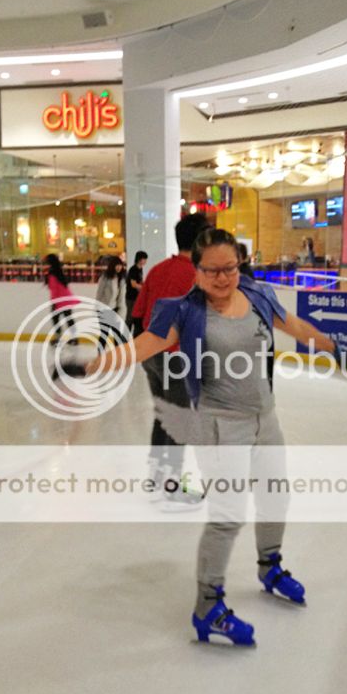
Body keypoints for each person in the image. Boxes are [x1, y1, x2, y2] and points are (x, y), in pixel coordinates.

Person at [87, 228, 347, 646]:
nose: (222, 277)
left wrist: (329, 345)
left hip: (265, 418)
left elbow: (294, 325)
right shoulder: (184, 312)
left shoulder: (259, 296)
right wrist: (101, 362)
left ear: (239, 264)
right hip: (218, 426)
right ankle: (207, 606)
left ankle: (270, 566)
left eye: (229, 267)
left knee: (274, 496)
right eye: (211, 270)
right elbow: (149, 342)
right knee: (228, 515)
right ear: (196, 271)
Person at [131, 212, 209, 504]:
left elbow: (137, 314)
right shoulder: (197, 275)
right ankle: (172, 485)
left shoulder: (157, 270)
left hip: (150, 354)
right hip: (177, 357)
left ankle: (156, 476)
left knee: (164, 414)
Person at [44, 253, 78, 344]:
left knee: (56, 319)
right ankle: (74, 338)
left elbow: (54, 289)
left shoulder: (52, 273)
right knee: (68, 318)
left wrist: (54, 302)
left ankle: (59, 338)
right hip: (65, 298)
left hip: (60, 300)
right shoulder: (58, 271)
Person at [95, 255, 127, 346]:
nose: (119, 267)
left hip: (116, 309)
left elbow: (121, 296)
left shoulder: (122, 278)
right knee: (105, 334)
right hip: (104, 309)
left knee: (117, 334)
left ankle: (118, 355)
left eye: (120, 265)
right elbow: (99, 293)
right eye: (117, 265)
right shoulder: (105, 277)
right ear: (112, 265)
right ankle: (100, 356)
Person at [125, 251, 148, 332]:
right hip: (131, 297)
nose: (145, 261)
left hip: (137, 297)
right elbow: (133, 284)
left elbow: (139, 282)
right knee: (130, 318)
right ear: (139, 259)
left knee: (135, 317)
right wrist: (143, 287)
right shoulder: (133, 270)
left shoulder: (140, 269)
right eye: (144, 259)